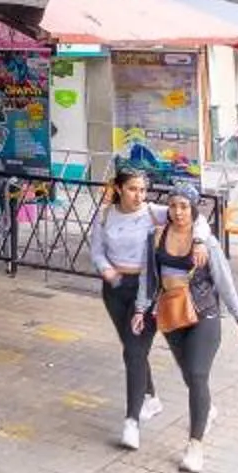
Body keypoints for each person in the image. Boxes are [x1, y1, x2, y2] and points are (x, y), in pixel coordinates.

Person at [134, 183, 238, 473]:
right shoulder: (157, 236)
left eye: (184, 206)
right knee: (189, 375)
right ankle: (207, 408)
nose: (178, 212)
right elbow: (149, 277)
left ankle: (195, 447)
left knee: (198, 375)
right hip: (172, 314)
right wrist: (141, 309)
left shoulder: (206, 242)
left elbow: (224, 281)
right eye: (173, 206)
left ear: (193, 208)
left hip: (204, 314)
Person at [90, 166, 165, 450]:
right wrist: (107, 271)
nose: (139, 195)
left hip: (145, 291)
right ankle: (151, 398)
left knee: (133, 351)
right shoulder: (106, 214)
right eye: (133, 189)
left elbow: (193, 218)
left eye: (143, 190)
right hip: (115, 290)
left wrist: (199, 241)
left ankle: (131, 422)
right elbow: (96, 250)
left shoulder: (151, 212)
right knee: (133, 347)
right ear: (119, 188)